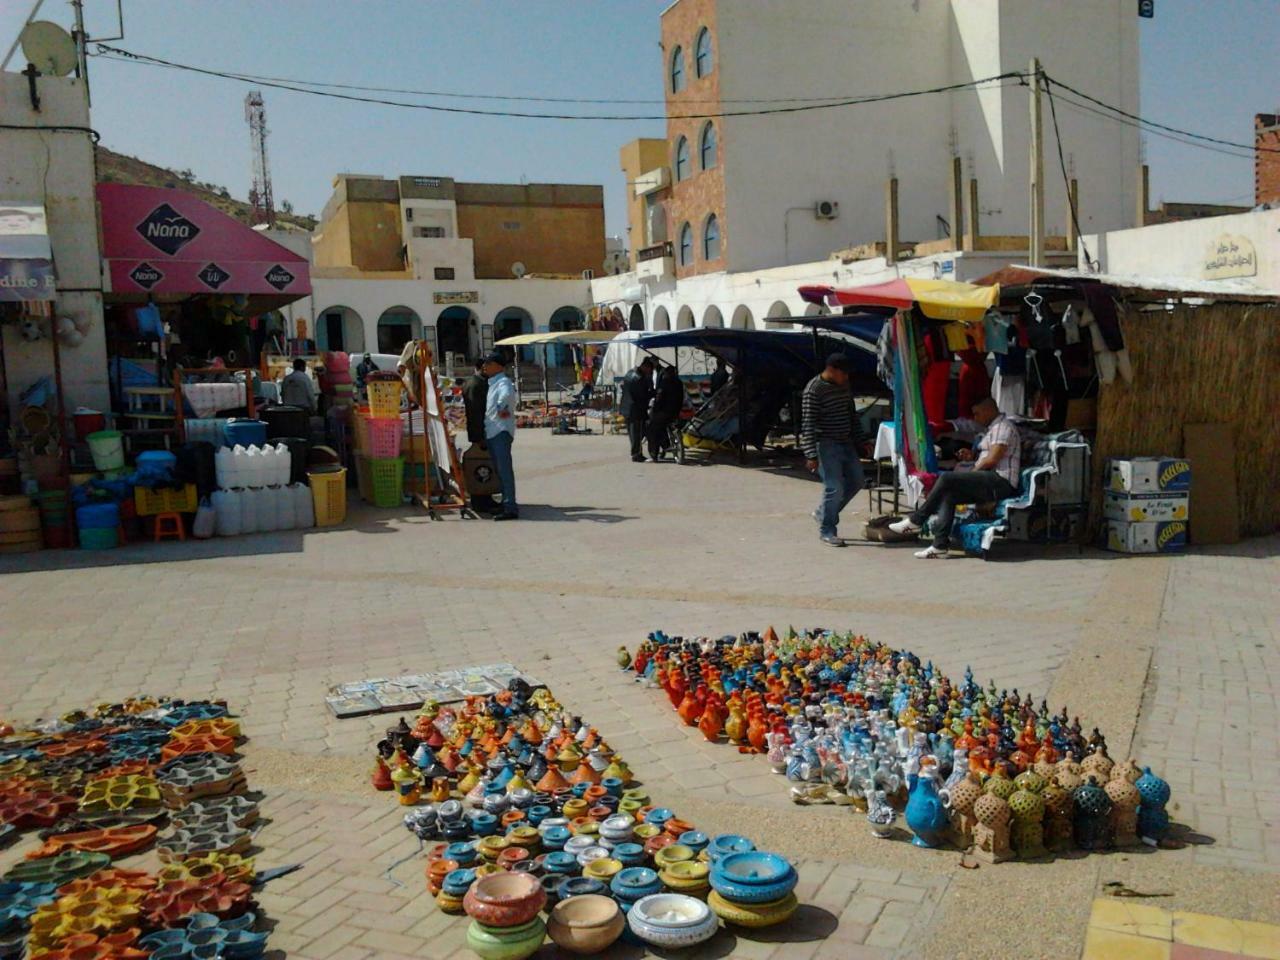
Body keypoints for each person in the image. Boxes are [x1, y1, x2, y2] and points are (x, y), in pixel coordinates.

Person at [889, 396, 1021, 558]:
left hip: (1000, 481)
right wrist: (971, 457)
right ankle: (940, 545)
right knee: (949, 495)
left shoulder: (1003, 427)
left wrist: (973, 472)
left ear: (988, 411)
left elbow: (993, 458)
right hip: (988, 478)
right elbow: (987, 455)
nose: (975, 418)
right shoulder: (992, 429)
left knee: (947, 479)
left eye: (977, 414)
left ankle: (917, 520)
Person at [801, 354, 866, 547]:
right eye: (843, 374)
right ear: (831, 370)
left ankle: (823, 512)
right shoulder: (814, 390)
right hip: (826, 444)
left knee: (857, 481)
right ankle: (827, 529)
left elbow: (851, 414)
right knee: (834, 487)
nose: (845, 378)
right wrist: (810, 454)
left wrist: (861, 440)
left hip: (846, 441)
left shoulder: (844, 385)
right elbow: (808, 424)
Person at [481, 351, 519, 521]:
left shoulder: (503, 382)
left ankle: (510, 507)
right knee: (499, 470)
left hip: (500, 431)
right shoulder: (492, 383)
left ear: (497, 366)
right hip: (493, 430)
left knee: (504, 470)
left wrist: (501, 408)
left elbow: (507, 396)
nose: (484, 367)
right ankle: (505, 502)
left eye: (488, 363)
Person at [462, 359, 495, 513]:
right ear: (482, 367)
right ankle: (481, 500)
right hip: (479, 431)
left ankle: (483, 498)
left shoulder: (472, 382)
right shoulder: (477, 385)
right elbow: (477, 412)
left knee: (482, 465)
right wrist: (480, 435)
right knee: (482, 466)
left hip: (477, 430)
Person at [619, 357, 655, 463]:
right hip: (635, 409)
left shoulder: (630, 373)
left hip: (626, 408)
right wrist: (654, 393)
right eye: (650, 370)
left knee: (632, 433)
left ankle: (635, 453)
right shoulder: (639, 378)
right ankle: (637, 455)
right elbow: (642, 396)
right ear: (645, 367)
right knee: (637, 433)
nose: (650, 373)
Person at [646, 365, 685, 461]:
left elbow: (659, 399)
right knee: (661, 426)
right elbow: (681, 397)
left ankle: (654, 453)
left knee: (651, 428)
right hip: (676, 412)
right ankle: (665, 444)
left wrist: (654, 409)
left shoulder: (664, 383)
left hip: (664, 412)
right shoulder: (679, 382)